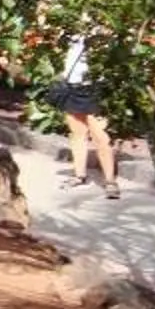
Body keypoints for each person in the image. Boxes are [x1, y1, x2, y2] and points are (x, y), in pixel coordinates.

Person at [54, 33, 120, 200]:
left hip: (94, 87)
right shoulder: (74, 29)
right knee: (77, 133)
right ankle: (79, 175)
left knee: (100, 136)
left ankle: (110, 181)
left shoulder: (103, 30)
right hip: (73, 86)